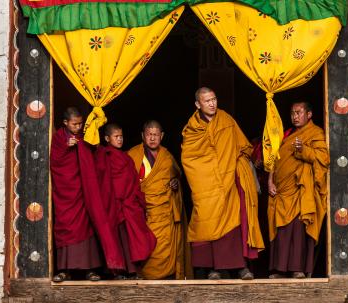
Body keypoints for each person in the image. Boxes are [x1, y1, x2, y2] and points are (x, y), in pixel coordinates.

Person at [181, 87, 264, 280]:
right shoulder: (192, 128)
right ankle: (213, 268)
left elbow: (243, 147)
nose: (212, 104)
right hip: (205, 185)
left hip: (228, 182)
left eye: (214, 99)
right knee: (207, 221)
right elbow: (189, 158)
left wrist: (240, 165)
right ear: (197, 105)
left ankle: (240, 267)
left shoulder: (226, 120)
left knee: (234, 222)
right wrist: (205, 179)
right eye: (207, 101)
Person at [267, 102, 330, 279]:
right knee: (281, 228)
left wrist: (305, 150)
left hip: (301, 189)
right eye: (292, 113)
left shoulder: (316, 133)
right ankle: (279, 269)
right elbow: (275, 158)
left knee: (299, 230)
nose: (295, 116)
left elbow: (323, 158)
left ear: (309, 114)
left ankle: (298, 269)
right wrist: (270, 181)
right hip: (282, 189)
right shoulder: (287, 134)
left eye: (299, 112)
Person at [95, 123, 157, 279]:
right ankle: (118, 271)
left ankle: (133, 271)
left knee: (133, 239)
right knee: (117, 239)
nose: (120, 140)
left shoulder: (126, 157)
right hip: (115, 205)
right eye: (116, 137)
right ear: (107, 138)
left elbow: (133, 181)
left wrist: (137, 200)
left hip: (129, 204)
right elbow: (104, 182)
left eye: (121, 136)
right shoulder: (104, 155)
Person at [50, 107, 103, 282]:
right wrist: (66, 147)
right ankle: (65, 270)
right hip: (66, 192)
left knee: (86, 225)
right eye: (75, 124)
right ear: (65, 123)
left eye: (80, 123)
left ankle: (90, 270)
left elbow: (93, 155)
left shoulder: (83, 136)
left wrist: (83, 145)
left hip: (82, 190)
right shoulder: (58, 138)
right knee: (66, 227)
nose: (78, 127)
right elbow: (55, 162)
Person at [128, 120, 185, 279]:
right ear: (142, 136)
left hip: (164, 213)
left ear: (162, 136)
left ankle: (166, 276)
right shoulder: (133, 155)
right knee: (144, 244)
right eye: (149, 135)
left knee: (164, 246)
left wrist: (176, 184)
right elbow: (125, 183)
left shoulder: (167, 157)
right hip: (143, 212)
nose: (152, 138)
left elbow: (177, 178)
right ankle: (143, 274)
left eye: (156, 135)